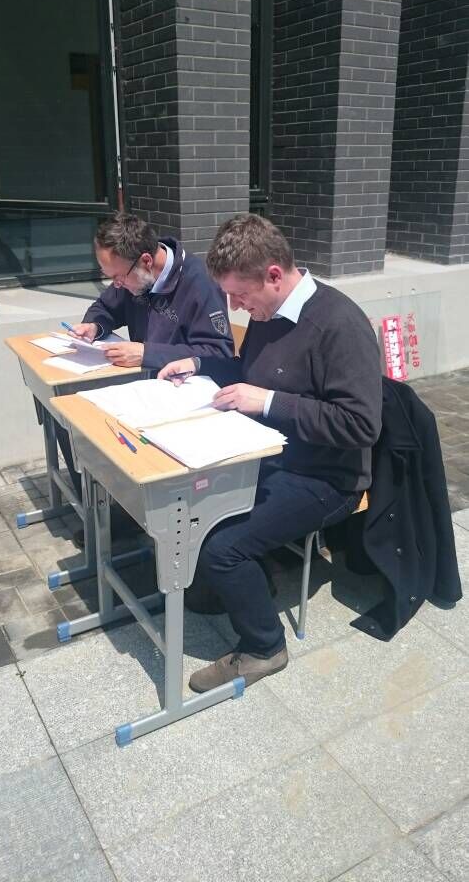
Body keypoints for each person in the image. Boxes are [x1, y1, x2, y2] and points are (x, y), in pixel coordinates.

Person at [157, 214, 383, 692]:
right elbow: (248, 371)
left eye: (240, 296)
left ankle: (264, 647)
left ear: (274, 275)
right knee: (188, 499)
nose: (236, 308)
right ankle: (248, 581)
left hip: (328, 477)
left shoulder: (340, 325)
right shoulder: (268, 313)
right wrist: (196, 363)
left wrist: (269, 402)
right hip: (270, 453)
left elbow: (361, 425)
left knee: (222, 549)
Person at [57, 212, 233, 537]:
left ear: (147, 261)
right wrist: (94, 325)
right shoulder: (133, 274)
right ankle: (111, 509)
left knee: (98, 429)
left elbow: (219, 353)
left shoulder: (199, 283)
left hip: (183, 399)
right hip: (146, 389)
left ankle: (130, 514)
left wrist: (147, 353)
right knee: (70, 416)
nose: (116, 285)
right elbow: (106, 306)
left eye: (118, 277)